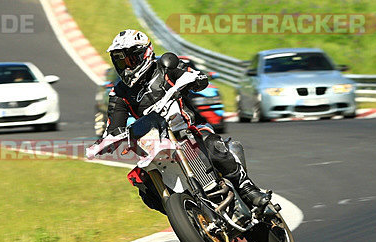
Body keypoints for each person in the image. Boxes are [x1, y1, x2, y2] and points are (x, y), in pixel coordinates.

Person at [100, 29, 271, 211]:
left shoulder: (166, 66)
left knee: (212, 145)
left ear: (145, 54)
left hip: (187, 129)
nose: (126, 67)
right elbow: (113, 126)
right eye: (120, 62)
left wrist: (196, 79)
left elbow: (193, 74)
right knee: (143, 184)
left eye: (130, 60)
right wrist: (107, 141)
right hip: (156, 144)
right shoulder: (118, 92)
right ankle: (189, 218)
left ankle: (247, 189)